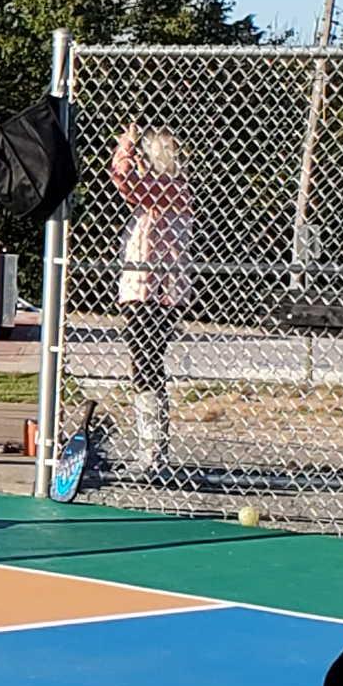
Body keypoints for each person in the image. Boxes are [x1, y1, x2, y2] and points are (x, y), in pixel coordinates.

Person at [108, 122, 193, 470]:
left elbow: (121, 177)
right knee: (142, 366)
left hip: (156, 295)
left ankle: (153, 452)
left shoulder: (172, 189)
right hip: (142, 292)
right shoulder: (157, 194)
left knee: (146, 365)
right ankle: (151, 449)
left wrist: (126, 144)